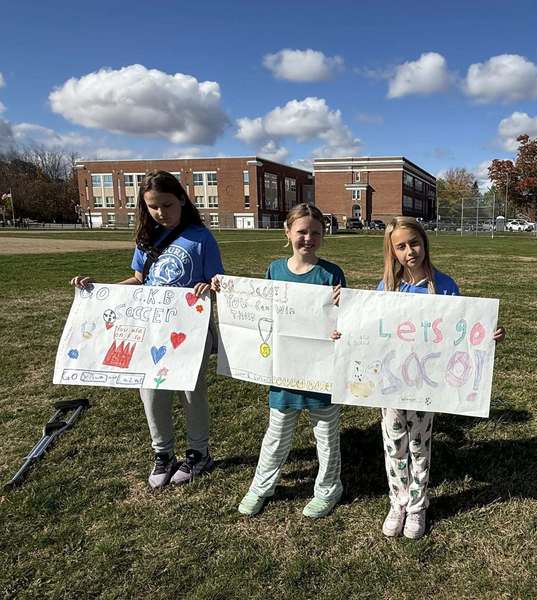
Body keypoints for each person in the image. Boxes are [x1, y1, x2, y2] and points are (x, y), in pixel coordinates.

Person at [71, 170, 223, 489]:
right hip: (150, 330)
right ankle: (163, 453)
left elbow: (216, 282)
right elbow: (139, 281)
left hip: (188, 330)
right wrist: (98, 290)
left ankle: (198, 453)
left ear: (181, 199)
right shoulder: (147, 237)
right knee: (151, 393)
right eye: (153, 206)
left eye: (166, 205)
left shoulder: (201, 238)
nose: (160, 212)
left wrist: (206, 287)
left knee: (191, 394)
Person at [364, 216, 505, 539]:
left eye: (414, 243)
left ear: (425, 243)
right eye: (401, 246)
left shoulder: (444, 285)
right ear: (392, 252)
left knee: (418, 443)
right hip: (392, 383)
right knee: (394, 443)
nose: (409, 251)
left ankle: (417, 505)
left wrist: (487, 334)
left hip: (429, 384)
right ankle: (397, 502)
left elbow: (463, 330)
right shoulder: (385, 288)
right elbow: (369, 332)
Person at [228, 203, 345, 519]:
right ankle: (260, 488)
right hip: (284, 372)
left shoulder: (331, 274)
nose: (308, 238)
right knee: (277, 435)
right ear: (288, 232)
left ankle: (329, 488)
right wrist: (224, 291)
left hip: (321, 373)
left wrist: (343, 307)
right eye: (302, 232)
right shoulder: (275, 269)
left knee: (326, 437)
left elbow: (344, 323)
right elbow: (259, 310)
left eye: (316, 233)